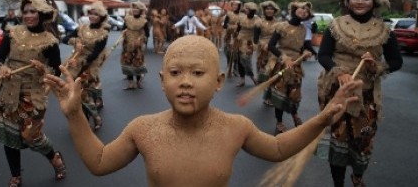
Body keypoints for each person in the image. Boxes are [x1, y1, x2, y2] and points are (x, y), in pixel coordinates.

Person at [44, 35, 362, 187]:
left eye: (198, 73)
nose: (186, 83)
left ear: (219, 81)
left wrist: (323, 119)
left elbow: (278, 149)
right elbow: (99, 163)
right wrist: (74, 115)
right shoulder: (143, 129)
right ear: (162, 80)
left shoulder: (236, 127)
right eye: (175, 73)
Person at [317, 0, 403, 187]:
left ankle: (358, 176)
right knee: (337, 141)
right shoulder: (336, 26)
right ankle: (338, 184)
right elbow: (323, 55)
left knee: (362, 142)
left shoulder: (384, 30)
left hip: (367, 96)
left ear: (373, 0)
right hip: (337, 90)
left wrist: (376, 66)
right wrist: (340, 72)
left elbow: (397, 62)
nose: (360, 1)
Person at [0, 0, 66, 187]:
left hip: (32, 95)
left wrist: (42, 69)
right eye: (25, 12)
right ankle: (16, 175)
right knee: (9, 136)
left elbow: (57, 70)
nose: (28, 15)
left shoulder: (49, 41)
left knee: (31, 136)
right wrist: (3, 68)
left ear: (41, 14)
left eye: (33, 11)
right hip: (8, 92)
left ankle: (55, 158)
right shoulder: (12, 32)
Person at [267, 1, 317, 134]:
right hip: (281, 64)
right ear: (294, 9)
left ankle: (295, 114)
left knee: (294, 93)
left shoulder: (304, 29)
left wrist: (311, 52)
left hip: (296, 66)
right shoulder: (281, 26)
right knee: (280, 94)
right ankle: (279, 121)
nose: (303, 12)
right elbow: (271, 46)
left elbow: (306, 45)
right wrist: (284, 58)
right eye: (301, 9)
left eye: (306, 11)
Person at [62, 1, 110, 131]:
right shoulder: (82, 28)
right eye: (91, 13)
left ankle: (95, 117)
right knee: (80, 94)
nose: (93, 16)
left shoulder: (103, 33)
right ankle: (89, 118)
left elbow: (95, 54)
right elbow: (65, 39)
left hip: (90, 65)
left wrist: (79, 63)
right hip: (76, 61)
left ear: (101, 17)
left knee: (82, 93)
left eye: (96, 14)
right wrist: (76, 41)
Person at [255, 0, 281, 106]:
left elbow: (282, 37)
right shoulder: (258, 22)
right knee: (265, 74)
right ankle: (267, 95)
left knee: (274, 73)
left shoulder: (279, 24)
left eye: (271, 9)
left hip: (275, 49)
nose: (269, 11)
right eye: (267, 9)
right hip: (263, 51)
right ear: (264, 10)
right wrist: (263, 44)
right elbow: (255, 39)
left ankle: (269, 96)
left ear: (275, 11)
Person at [121, 1, 149, 90]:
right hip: (127, 45)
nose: (135, 10)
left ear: (140, 10)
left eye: (137, 8)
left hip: (138, 46)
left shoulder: (144, 21)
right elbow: (123, 29)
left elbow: (147, 34)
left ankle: (138, 82)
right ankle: (130, 83)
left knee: (137, 64)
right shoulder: (127, 19)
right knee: (127, 63)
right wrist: (124, 33)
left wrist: (141, 38)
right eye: (133, 8)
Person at [235, 2, 261, 87]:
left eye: (247, 9)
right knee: (239, 61)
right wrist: (234, 37)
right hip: (240, 40)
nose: (245, 10)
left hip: (249, 42)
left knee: (246, 60)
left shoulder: (257, 20)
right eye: (245, 8)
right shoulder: (241, 18)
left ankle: (253, 77)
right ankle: (242, 79)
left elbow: (257, 34)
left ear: (251, 10)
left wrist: (255, 44)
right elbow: (238, 29)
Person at [223, 0, 242, 77]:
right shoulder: (229, 14)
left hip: (238, 36)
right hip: (229, 35)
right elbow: (224, 25)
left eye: (236, 5)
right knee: (228, 51)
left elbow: (242, 26)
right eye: (233, 5)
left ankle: (235, 68)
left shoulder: (242, 16)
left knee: (237, 53)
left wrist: (237, 30)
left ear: (239, 7)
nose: (235, 7)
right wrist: (229, 28)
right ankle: (229, 65)